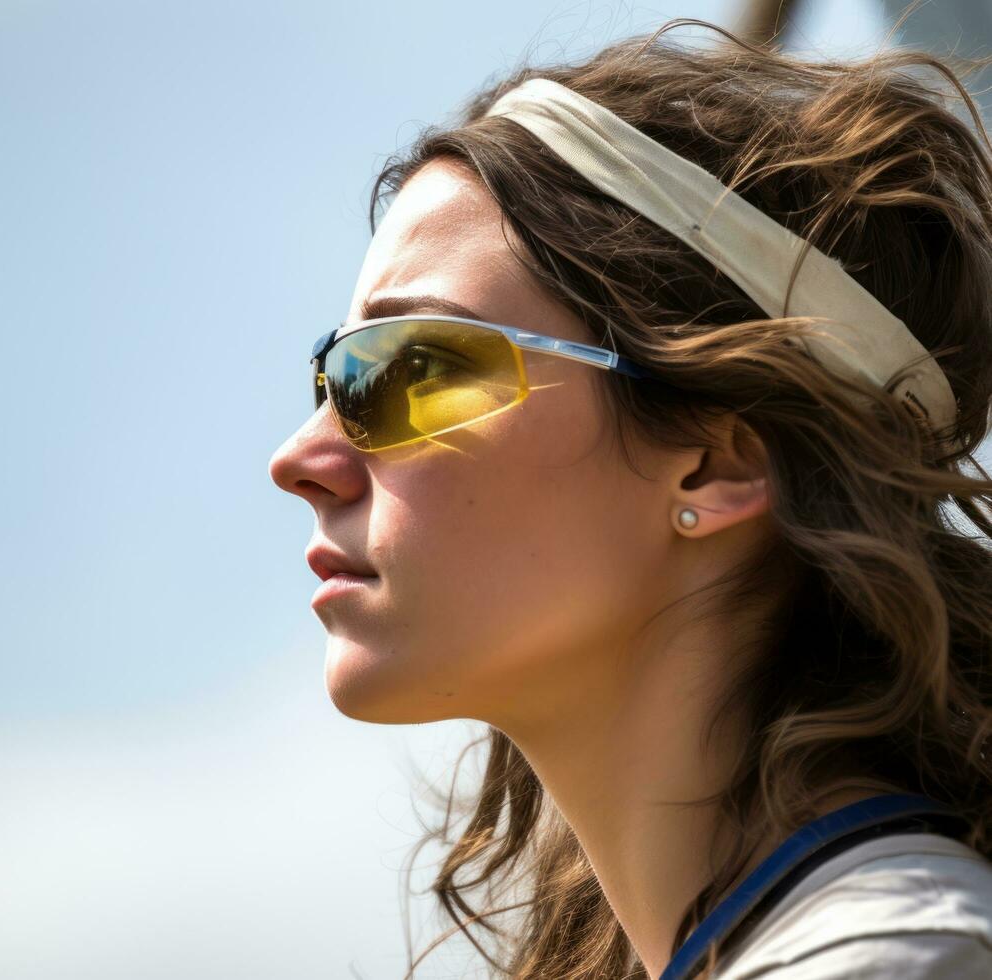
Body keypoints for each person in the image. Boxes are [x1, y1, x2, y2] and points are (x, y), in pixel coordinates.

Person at [267, 18, 992, 980]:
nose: (301, 457)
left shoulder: (897, 959)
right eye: (331, 379)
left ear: (715, 464)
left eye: (412, 367)